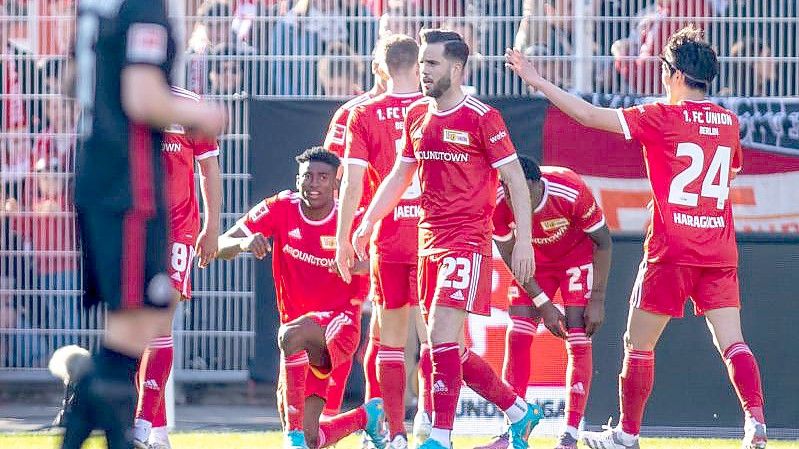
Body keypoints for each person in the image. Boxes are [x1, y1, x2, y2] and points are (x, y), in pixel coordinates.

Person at [505, 25, 766, 449]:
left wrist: (536, 80)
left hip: (671, 248)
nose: (661, 78)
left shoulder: (661, 114)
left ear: (677, 74)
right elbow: (727, 174)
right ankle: (755, 423)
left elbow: (588, 115)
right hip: (718, 249)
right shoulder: (728, 122)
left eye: (664, 69)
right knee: (733, 342)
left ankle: (627, 435)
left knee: (637, 344)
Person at [352, 29, 541, 449]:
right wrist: (367, 222)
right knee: (448, 348)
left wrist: (524, 240)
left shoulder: (482, 117)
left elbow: (512, 176)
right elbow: (400, 174)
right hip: (427, 241)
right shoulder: (417, 116)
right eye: (421, 63)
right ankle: (518, 411)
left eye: (432, 63)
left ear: (456, 69)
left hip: (467, 240)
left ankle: (440, 435)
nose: (423, 72)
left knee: (438, 337)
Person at [63, 1, 225, 449]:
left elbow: (71, 83)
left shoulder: (96, 12)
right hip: (132, 189)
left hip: (100, 177)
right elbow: (142, 98)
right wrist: (207, 116)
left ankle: (119, 421)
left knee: (128, 330)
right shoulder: (143, 9)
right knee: (139, 327)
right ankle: (107, 399)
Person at [216, 147, 385, 449]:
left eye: (323, 177)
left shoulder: (355, 217)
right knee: (313, 438)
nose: (314, 184)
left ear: (337, 184)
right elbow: (218, 244)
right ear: (298, 180)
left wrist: (357, 264)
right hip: (295, 341)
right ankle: (367, 416)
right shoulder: (280, 207)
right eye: (308, 176)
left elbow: (387, 264)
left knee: (292, 335)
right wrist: (244, 242)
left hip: (339, 328)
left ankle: (291, 438)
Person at [475, 156, 611, 449]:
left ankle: (570, 434)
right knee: (518, 335)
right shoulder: (497, 201)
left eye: (519, 190)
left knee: (578, 336)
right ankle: (513, 429)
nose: (512, 198)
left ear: (537, 185)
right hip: (533, 266)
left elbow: (604, 241)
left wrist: (598, 298)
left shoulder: (569, 189)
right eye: (508, 190)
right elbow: (512, 257)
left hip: (575, 259)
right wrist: (543, 303)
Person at [335, 33, 424, 449]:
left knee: (386, 337)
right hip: (433, 236)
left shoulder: (362, 113)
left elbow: (350, 186)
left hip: (384, 234)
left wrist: (343, 239)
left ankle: (393, 432)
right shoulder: (438, 107)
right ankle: (433, 424)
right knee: (439, 339)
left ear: (382, 67)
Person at [132, 86, 222, 449]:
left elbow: (209, 168)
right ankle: (158, 432)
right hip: (134, 227)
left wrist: (212, 226)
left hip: (176, 230)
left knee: (160, 318)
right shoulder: (124, 98)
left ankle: (140, 424)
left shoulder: (190, 103)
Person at [321, 37, 389, 420]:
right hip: (354, 230)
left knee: (386, 328)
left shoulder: (421, 108)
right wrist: (340, 235)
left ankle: (380, 417)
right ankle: (328, 417)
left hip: (393, 231)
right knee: (344, 325)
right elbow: (331, 173)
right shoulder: (352, 112)